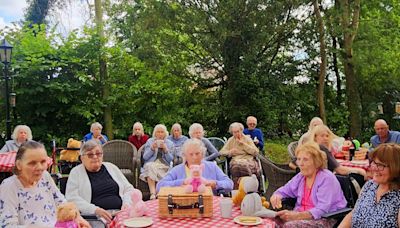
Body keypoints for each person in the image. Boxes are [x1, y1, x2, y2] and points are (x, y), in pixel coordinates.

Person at [0, 141, 90, 227]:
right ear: (19, 165)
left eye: (43, 162)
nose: (39, 167)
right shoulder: (9, 186)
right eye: (32, 163)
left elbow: (61, 202)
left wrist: (77, 218)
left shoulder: (44, 176)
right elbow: (8, 225)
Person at [270, 143, 347, 227]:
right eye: (299, 159)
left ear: (316, 162)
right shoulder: (301, 176)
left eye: (305, 159)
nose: (301, 164)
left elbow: (322, 209)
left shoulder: (326, 178)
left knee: (289, 226)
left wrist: (296, 216)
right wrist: (276, 196)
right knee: (272, 222)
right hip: (300, 215)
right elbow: (284, 190)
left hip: (326, 218)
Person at [66, 140, 135, 224]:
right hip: (94, 218)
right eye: (90, 155)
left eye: (98, 153)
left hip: (120, 213)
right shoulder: (76, 172)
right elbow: (71, 198)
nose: (95, 157)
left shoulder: (111, 167)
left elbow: (128, 188)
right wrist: (95, 210)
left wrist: (126, 204)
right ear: (82, 158)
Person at [339, 143, 400, 227]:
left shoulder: (398, 197)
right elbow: (353, 213)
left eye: (380, 165)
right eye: (374, 162)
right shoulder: (370, 185)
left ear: (395, 168)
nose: (374, 168)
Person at [156, 138, 233, 194]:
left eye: (197, 153)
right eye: (191, 154)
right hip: (183, 206)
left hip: (208, 205)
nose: (194, 157)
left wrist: (215, 184)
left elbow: (229, 184)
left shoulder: (212, 167)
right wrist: (181, 182)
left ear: (202, 154)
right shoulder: (177, 170)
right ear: (185, 155)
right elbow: (159, 186)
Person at [220, 122, 260, 189]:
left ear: (241, 130)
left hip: (248, 159)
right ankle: (237, 189)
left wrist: (244, 145)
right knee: (236, 166)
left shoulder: (247, 139)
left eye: (238, 131)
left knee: (245, 166)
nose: (236, 134)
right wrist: (230, 152)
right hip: (236, 160)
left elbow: (255, 152)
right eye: (234, 132)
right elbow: (221, 152)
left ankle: (250, 187)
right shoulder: (231, 140)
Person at [140, 124, 174, 200]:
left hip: (164, 166)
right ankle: (154, 193)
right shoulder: (150, 141)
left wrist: (165, 150)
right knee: (150, 166)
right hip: (151, 164)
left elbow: (170, 160)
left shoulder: (170, 143)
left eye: (162, 132)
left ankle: (153, 194)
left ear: (165, 134)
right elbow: (145, 157)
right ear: (155, 133)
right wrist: (152, 148)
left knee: (150, 169)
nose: (160, 134)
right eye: (158, 132)